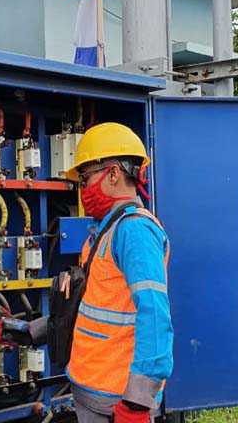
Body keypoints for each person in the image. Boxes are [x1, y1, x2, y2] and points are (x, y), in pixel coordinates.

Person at [58, 122, 173, 423]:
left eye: (84, 180)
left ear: (112, 173)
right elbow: (88, 305)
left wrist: (137, 402)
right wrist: (29, 332)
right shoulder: (105, 231)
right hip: (94, 391)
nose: (82, 191)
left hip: (117, 400)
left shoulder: (135, 231)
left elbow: (155, 315)